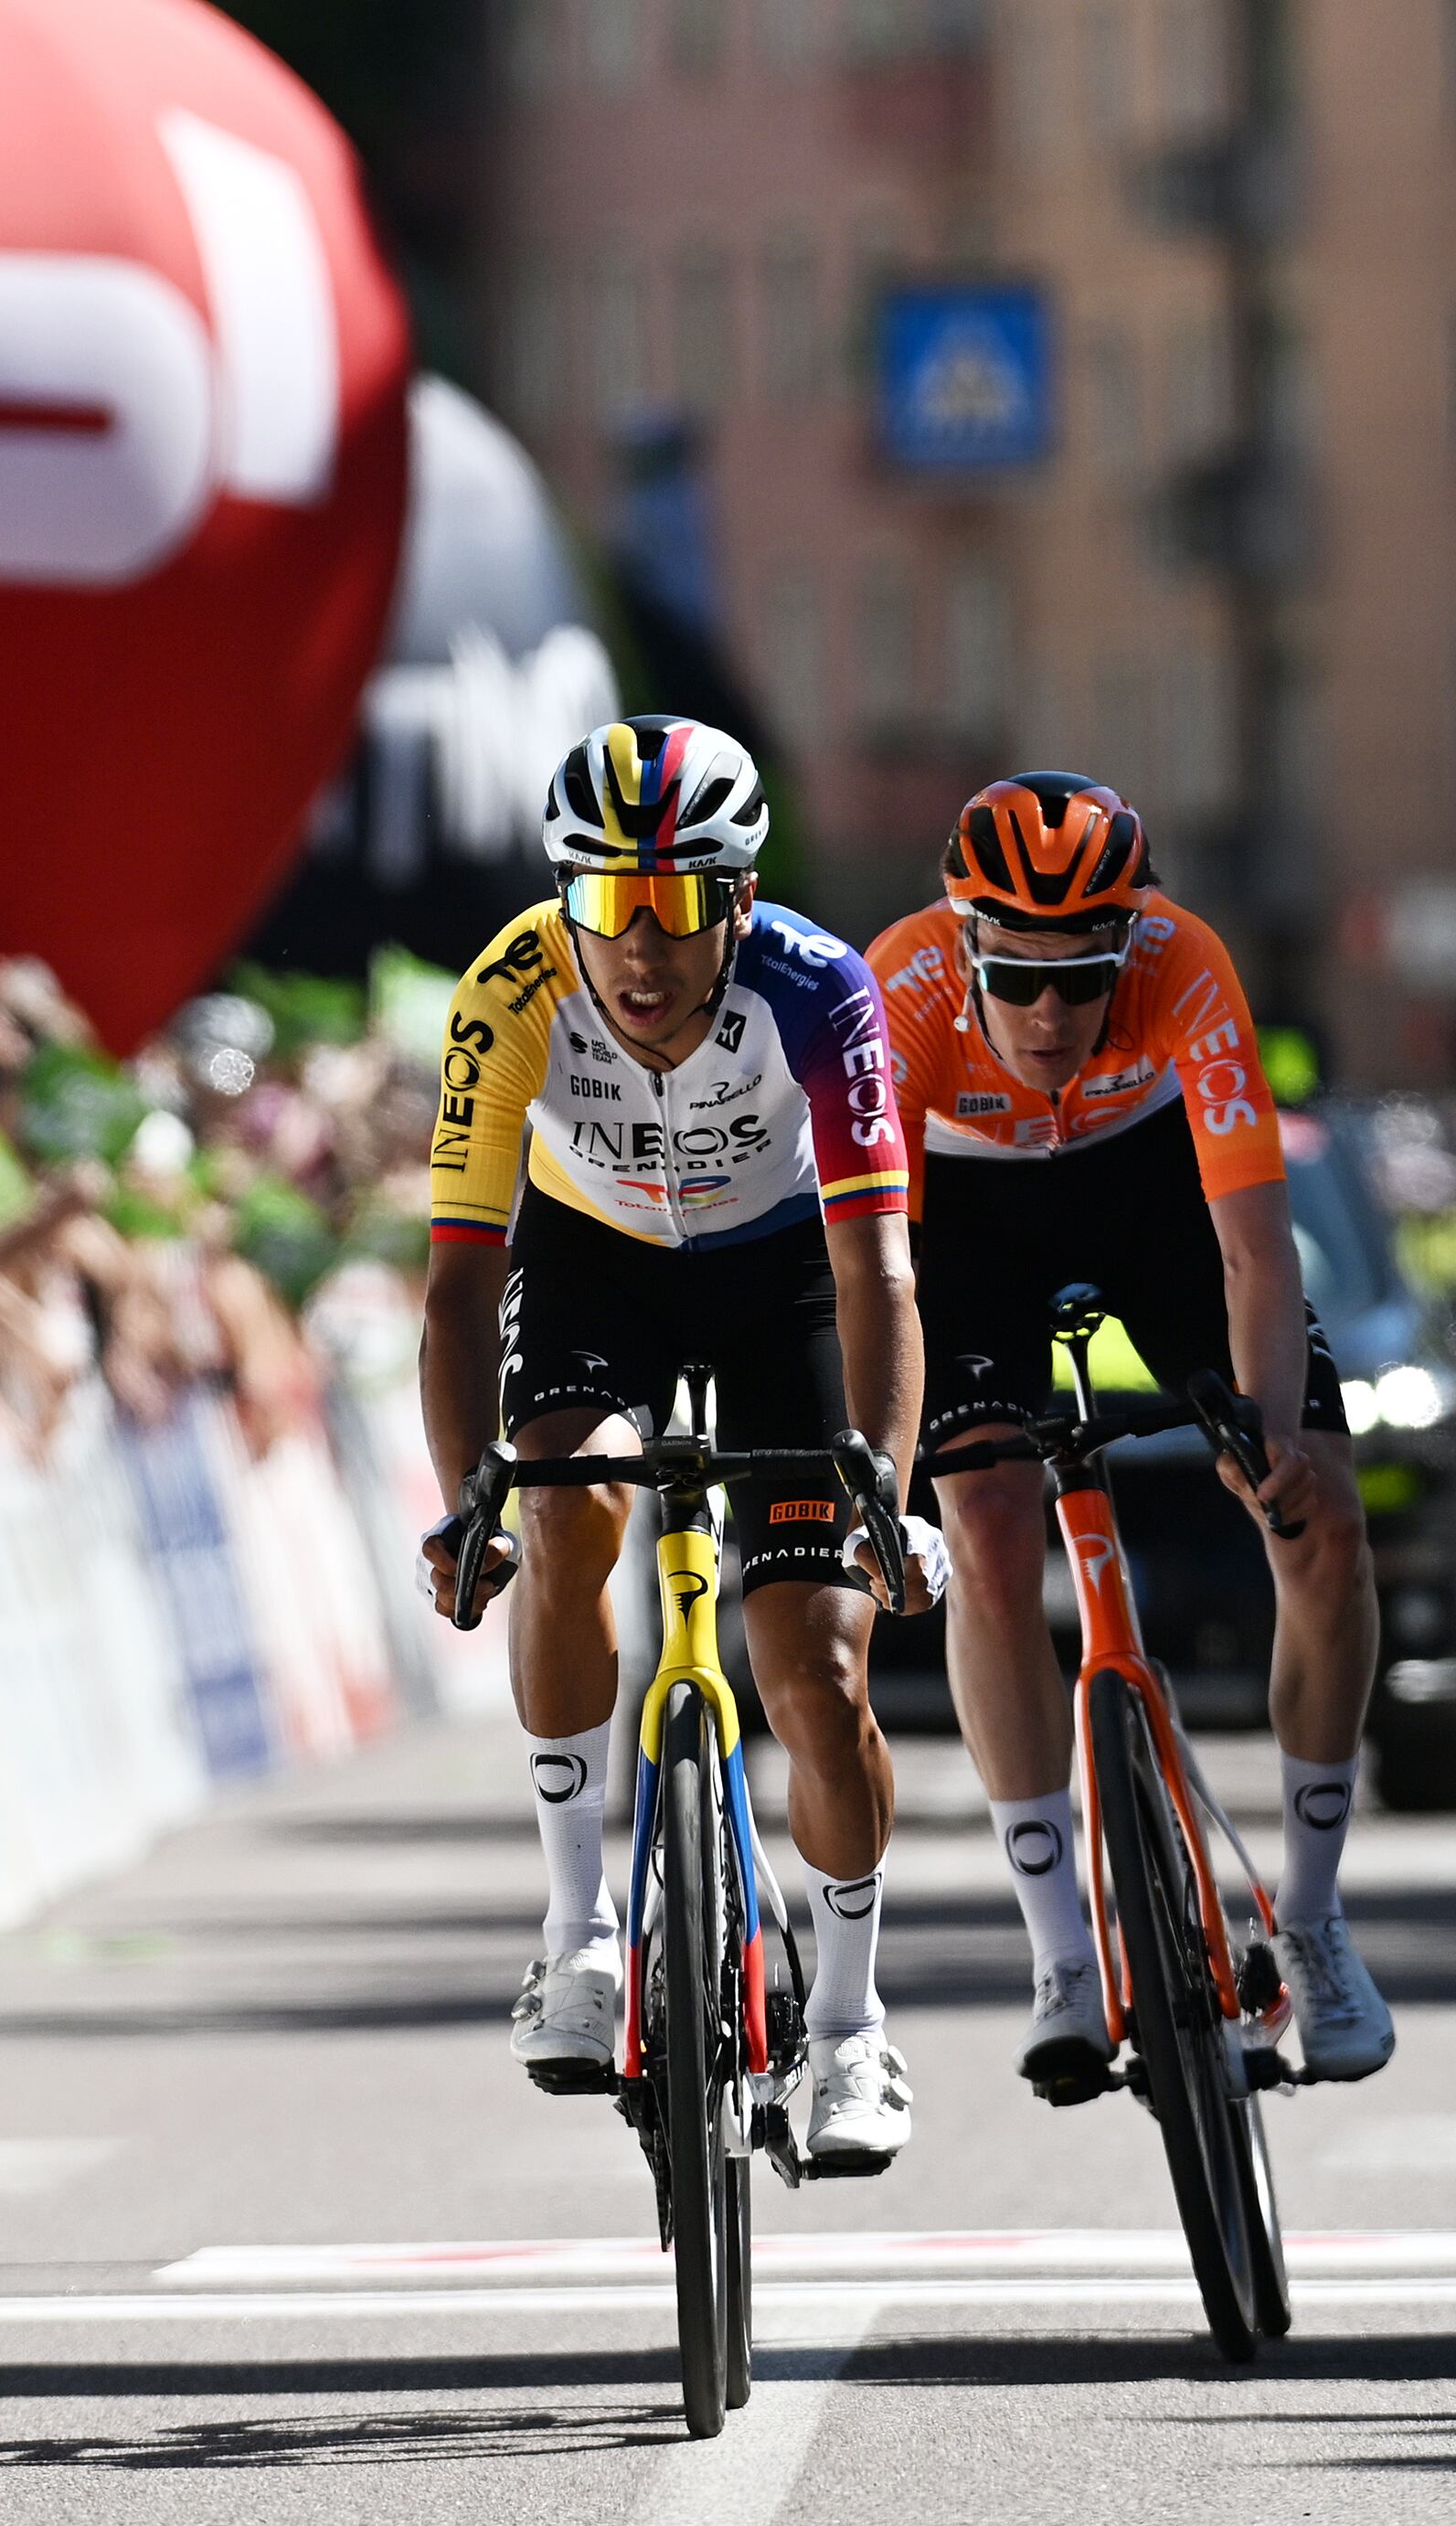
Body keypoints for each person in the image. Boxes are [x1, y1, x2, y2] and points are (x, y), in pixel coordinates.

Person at [413, 715, 935, 2173]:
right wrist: (473, 1507)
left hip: (788, 1278)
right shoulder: (510, 990)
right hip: (601, 1265)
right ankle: (577, 1936)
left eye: (680, 908)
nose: (640, 953)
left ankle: (846, 2027)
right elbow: (457, 1283)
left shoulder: (821, 992)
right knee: (571, 1515)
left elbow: (878, 1273)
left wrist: (881, 1492)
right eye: (607, 906)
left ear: (742, 902)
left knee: (818, 1672)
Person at [866, 773, 1394, 2099]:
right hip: (964, 1219)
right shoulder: (902, 991)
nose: (1049, 1015)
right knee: (985, 1526)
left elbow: (1254, 1248)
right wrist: (885, 1470)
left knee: (1324, 1517)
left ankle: (1316, 1924)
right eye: (1019, 979)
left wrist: (1267, 1437)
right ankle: (1061, 1959)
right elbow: (877, 1274)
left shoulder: (1187, 964)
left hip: (1147, 1187)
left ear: (1131, 941)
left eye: (1083, 980)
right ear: (963, 937)